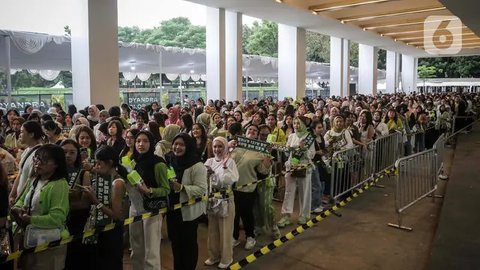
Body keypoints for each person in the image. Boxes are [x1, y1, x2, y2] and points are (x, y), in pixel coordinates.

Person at [11, 144, 70, 270]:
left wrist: (30, 219)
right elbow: (21, 199)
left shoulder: (59, 184)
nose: (38, 163)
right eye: (36, 159)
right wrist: (18, 208)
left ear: (56, 164)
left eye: (44, 160)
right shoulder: (34, 179)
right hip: (30, 239)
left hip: (49, 242)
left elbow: (57, 218)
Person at [127, 131, 170, 270]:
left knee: (151, 251)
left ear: (151, 143)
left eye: (145, 141)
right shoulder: (134, 161)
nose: (141, 144)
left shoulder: (159, 163)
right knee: (136, 247)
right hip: (134, 207)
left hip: (152, 209)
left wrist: (149, 191)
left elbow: (166, 189)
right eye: (138, 141)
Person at [82, 145, 128, 270]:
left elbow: (116, 215)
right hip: (100, 230)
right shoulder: (105, 175)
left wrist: (95, 200)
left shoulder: (117, 183)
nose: (96, 167)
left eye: (99, 163)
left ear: (110, 163)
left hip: (112, 233)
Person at [166, 133, 207, 270]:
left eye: (181, 145)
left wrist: (182, 188)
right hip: (172, 210)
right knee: (175, 244)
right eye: (175, 144)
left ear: (188, 147)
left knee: (188, 245)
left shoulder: (197, 165)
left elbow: (201, 189)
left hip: (188, 213)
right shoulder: (169, 160)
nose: (177, 147)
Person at [231, 124, 273, 250]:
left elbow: (264, 171)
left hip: (248, 187)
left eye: (255, 130)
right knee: (234, 213)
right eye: (250, 129)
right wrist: (228, 146)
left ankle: (250, 237)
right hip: (231, 186)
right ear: (245, 132)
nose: (252, 131)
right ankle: (234, 237)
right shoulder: (236, 146)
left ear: (257, 134)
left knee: (246, 213)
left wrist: (267, 157)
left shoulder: (260, 151)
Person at [204, 137, 239, 269]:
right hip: (212, 199)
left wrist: (221, 170)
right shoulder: (209, 161)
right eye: (215, 147)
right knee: (212, 229)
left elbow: (230, 180)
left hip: (226, 199)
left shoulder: (230, 162)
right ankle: (213, 255)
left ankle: (226, 257)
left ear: (225, 147)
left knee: (225, 229)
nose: (217, 149)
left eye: (220, 146)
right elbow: (204, 179)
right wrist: (207, 174)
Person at [277, 116, 315, 227]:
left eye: (298, 123)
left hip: (304, 166)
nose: (296, 125)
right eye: (294, 123)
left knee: (304, 191)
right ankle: (286, 215)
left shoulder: (309, 137)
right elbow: (287, 153)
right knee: (289, 191)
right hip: (291, 166)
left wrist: (304, 149)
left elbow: (312, 154)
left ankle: (304, 214)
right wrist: (288, 149)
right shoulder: (292, 136)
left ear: (303, 124)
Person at [62, 139, 91, 270]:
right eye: (64, 152)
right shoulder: (51, 173)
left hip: (76, 221)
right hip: (57, 222)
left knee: (74, 257)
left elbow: (85, 203)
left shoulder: (84, 173)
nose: (68, 155)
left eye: (72, 152)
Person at [8, 121, 43, 205]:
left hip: (28, 199)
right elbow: (20, 174)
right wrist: (12, 195)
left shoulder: (40, 153)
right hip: (20, 198)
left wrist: (19, 199)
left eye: (22, 132)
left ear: (31, 134)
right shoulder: (27, 150)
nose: (20, 135)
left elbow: (30, 180)